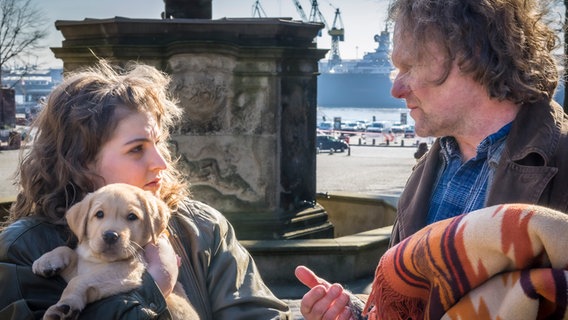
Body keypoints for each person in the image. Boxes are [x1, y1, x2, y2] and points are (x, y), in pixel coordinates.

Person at [296, 0, 568, 318]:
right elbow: (417, 303)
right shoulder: (425, 171)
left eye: (410, 66)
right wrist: (357, 310)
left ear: (472, 53)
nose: (396, 89)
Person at [0, 60, 290, 319]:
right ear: (80, 161)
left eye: (159, 143)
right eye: (137, 149)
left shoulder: (204, 228)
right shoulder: (23, 250)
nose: (161, 163)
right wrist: (155, 286)